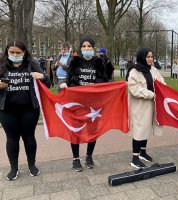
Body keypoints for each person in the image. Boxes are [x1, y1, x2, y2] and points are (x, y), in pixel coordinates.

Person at [0, 40, 51, 180]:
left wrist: (44, 76)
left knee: (29, 137)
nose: (15, 55)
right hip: (7, 111)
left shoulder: (31, 64)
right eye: (12, 52)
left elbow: (48, 83)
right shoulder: (1, 64)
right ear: (7, 52)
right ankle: (14, 168)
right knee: (12, 139)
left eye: (18, 52)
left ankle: (31, 165)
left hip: (29, 110)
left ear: (24, 53)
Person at [60, 36, 108, 172]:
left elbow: (105, 82)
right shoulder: (75, 62)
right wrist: (65, 84)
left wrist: (120, 85)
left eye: (89, 46)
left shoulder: (99, 62)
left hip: (94, 104)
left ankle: (89, 156)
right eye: (84, 47)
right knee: (76, 131)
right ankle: (76, 159)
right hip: (77, 103)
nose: (86, 49)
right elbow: (69, 80)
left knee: (93, 131)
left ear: (93, 48)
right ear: (81, 49)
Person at [127, 47, 165, 169]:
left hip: (152, 105)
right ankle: (135, 158)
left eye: (151, 57)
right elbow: (134, 89)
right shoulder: (134, 72)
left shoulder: (153, 70)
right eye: (147, 57)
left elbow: (162, 82)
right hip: (140, 106)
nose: (150, 59)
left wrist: (162, 89)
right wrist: (151, 94)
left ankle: (143, 152)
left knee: (147, 128)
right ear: (141, 57)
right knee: (139, 130)